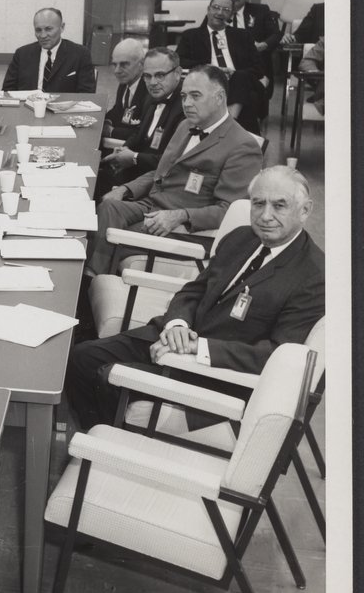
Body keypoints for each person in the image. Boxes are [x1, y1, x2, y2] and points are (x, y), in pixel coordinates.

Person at [67, 165, 323, 429]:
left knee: (108, 378)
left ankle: (107, 441)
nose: (266, 216)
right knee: (81, 358)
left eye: (279, 206)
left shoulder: (313, 276)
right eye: (258, 204)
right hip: (175, 337)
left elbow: (276, 355)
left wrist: (197, 348)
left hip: (216, 373)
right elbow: (195, 290)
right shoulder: (241, 238)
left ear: (305, 210)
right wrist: (177, 325)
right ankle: (94, 434)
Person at [87, 65, 262, 277]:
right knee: (107, 207)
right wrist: (125, 189)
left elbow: (229, 211)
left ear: (219, 97)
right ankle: (91, 276)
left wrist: (181, 216)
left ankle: (90, 282)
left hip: (186, 227)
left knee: (108, 235)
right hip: (153, 204)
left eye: (195, 96)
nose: (187, 103)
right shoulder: (186, 126)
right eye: (184, 96)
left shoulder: (243, 146)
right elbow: (161, 171)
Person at [96, 48, 185, 198]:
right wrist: (124, 149)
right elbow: (139, 132)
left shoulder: (186, 108)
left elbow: (174, 161)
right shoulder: (152, 97)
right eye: (147, 76)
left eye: (160, 75)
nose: (153, 83)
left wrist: (134, 157)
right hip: (136, 170)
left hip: (157, 184)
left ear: (177, 73)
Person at [176, 0, 267, 134]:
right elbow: (180, 61)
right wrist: (210, 68)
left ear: (231, 14)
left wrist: (233, 73)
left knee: (241, 77)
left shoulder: (243, 36)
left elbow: (259, 69)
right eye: (216, 7)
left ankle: (228, 123)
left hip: (239, 81)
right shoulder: (191, 35)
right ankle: (236, 131)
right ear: (208, 10)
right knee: (247, 99)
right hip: (208, 80)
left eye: (226, 10)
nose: (220, 12)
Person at [1, 8, 96, 93]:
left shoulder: (80, 54)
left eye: (48, 29)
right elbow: (7, 91)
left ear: (62, 27)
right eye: (38, 30)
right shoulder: (22, 54)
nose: (43, 36)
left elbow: (86, 94)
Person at [102, 39, 150, 142]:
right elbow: (117, 109)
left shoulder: (150, 91)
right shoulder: (125, 82)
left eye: (124, 65)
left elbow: (145, 133)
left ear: (142, 63)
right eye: (115, 65)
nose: (117, 71)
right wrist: (105, 122)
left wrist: (111, 131)